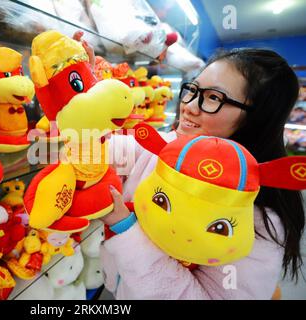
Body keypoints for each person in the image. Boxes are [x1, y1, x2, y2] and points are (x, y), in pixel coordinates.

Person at [100, 48, 304, 299]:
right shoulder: (165, 148)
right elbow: (103, 152)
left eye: (213, 98)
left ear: (256, 120)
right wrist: (87, 93)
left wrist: (126, 231)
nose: (189, 107)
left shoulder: (256, 219)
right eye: (193, 90)